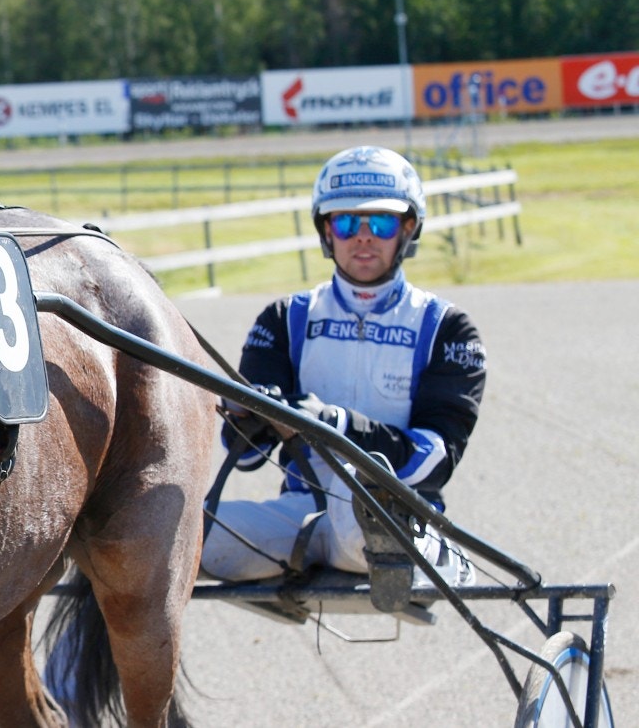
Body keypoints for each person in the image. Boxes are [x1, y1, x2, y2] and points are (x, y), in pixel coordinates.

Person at [200, 146, 487, 582]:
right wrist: (250, 417)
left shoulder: (447, 329)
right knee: (168, 537)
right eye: (347, 221)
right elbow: (244, 459)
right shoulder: (285, 319)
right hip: (298, 518)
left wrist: (333, 422)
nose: (364, 236)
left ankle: (420, 558)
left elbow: (436, 458)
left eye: (383, 222)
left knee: (363, 505)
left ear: (409, 229)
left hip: (395, 517)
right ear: (326, 231)